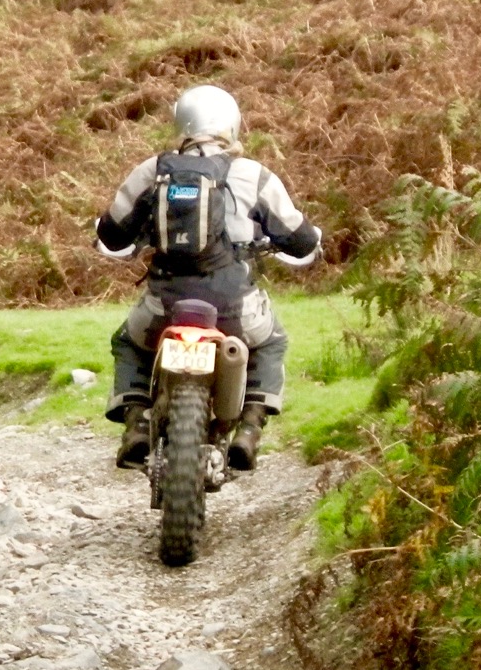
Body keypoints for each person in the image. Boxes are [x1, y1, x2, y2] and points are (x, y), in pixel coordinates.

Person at [93, 84, 320, 472]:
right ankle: (249, 430)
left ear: (180, 124)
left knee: (128, 342)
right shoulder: (255, 175)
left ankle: (137, 425)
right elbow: (299, 241)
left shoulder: (153, 171)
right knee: (271, 341)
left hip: (165, 306)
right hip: (235, 308)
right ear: (232, 125)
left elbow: (112, 235)